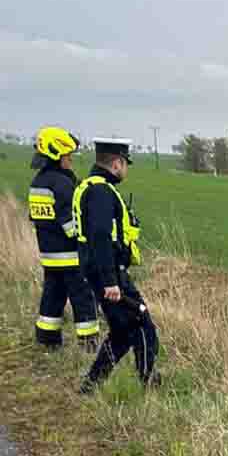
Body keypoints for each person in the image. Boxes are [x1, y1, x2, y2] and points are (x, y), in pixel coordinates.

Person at [73, 138, 159, 393]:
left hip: (98, 269)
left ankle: (90, 386)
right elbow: (100, 235)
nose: (126, 170)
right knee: (143, 322)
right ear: (116, 163)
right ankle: (149, 382)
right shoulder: (101, 192)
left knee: (122, 332)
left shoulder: (88, 186)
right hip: (108, 273)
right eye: (125, 164)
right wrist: (111, 281)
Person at [27, 127, 99, 348]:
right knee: (83, 298)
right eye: (68, 156)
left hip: (49, 255)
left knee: (52, 298)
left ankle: (47, 340)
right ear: (57, 155)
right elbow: (71, 226)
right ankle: (89, 344)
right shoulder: (62, 184)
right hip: (70, 256)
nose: (71, 161)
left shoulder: (38, 182)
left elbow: (37, 218)